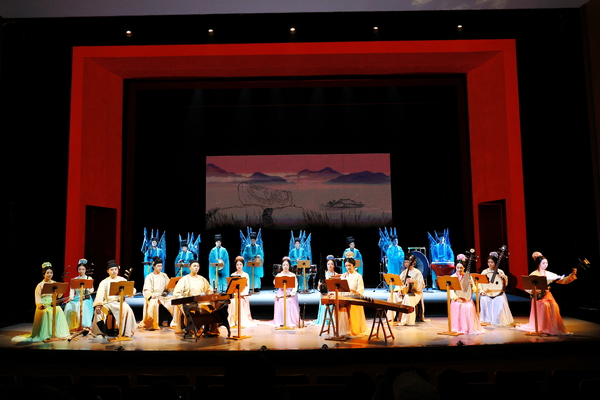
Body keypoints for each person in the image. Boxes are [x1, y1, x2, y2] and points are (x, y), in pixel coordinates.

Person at [516, 251, 577, 335]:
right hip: (538, 297)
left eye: (547, 263)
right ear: (539, 264)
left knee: (554, 306)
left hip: (547, 295)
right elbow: (527, 286)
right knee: (545, 306)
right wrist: (534, 290)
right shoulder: (534, 274)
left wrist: (572, 275)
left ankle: (552, 327)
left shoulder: (549, 274)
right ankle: (542, 327)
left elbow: (562, 279)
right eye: (543, 263)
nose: (545, 265)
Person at [172, 260, 219, 336]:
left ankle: (209, 330)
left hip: (200, 302)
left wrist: (209, 296)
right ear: (189, 267)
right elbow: (177, 293)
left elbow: (209, 290)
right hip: (188, 302)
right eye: (194, 266)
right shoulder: (184, 279)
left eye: (197, 266)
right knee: (190, 310)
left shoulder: (202, 279)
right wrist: (184, 300)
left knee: (211, 309)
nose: (196, 268)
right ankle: (191, 329)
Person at [92, 260, 137, 338]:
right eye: (112, 270)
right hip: (108, 303)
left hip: (120, 302)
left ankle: (125, 332)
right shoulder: (104, 282)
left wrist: (132, 291)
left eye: (115, 269)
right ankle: (100, 333)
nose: (114, 271)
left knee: (127, 309)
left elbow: (130, 290)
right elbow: (99, 294)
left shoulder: (122, 280)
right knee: (99, 311)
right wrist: (98, 305)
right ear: (108, 271)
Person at [30, 262, 70, 341]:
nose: (49, 274)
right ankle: (47, 334)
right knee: (46, 312)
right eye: (47, 273)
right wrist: (40, 304)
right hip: (43, 304)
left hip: (52, 304)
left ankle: (58, 333)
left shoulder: (54, 283)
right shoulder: (40, 285)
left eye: (51, 273)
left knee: (59, 310)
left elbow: (58, 296)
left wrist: (61, 289)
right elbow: (37, 297)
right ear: (44, 274)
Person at [449, 254, 485, 334]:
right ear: (455, 268)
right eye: (458, 268)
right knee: (459, 305)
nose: (459, 269)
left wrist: (472, 284)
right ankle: (459, 328)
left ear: (464, 268)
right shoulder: (453, 277)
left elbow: (474, 290)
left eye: (461, 268)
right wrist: (456, 298)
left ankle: (469, 328)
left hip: (466, 299)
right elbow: (451, 290)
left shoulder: (468, 276)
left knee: (469, 307)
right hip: (457, 299)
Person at [479, 252, 514, 326]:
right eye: (489, 262)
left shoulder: (500, 271)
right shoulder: (485, 272)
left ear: (495, 263)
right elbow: (480, 283)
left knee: (500, 299)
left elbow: (505, 284)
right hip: (487, 293)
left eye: (492, 262)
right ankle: (486, 319)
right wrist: (481, 291)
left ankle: (497, 319)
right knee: (483, 299)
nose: (490, 264)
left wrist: (503, 278)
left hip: (498, 293)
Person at [141, 257, 176, 330]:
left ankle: (173, 322)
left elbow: (168, 287)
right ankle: (153, 324)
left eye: (161, 266)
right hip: (154, 296)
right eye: (158, 266)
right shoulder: (149, 277)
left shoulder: (164, 275)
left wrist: (172, 285)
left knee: (173, 300)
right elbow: (146, 290)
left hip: (162, 296)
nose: (160, 268)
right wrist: (151, 295)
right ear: (154, 266)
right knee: (153, 303)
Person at [337, 258, 367, 337]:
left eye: (349, 265)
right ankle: (345, 329)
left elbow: (360, 290)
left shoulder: (358, 276)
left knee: (352, 310)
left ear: (353, 265)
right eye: (346, 266)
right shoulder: (343, 275)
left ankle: (354, 329)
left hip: (354, 298)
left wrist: (353, 291)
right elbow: (340, 288)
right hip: (345, 297)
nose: (348, 267)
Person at [64, 258, 94, 330]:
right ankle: (73, 325)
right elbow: (72, 291)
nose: (81, 271)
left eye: (83, 269)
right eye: (79, 269)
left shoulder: (89, 278)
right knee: (69, 305)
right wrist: (71, 298)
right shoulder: (74, 279)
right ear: (77, 270)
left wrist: (86, 291)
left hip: (86, 298)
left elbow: (92, 290)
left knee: (82, 305)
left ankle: (84, 325)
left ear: (85, 270)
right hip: (76, 297)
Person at [396, 254, 425, 326]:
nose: (406, 264)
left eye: (407, 262)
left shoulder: (417, 272)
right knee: (393, 296)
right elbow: (399, 283)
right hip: (405, 292)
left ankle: (407, 320)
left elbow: (421, 286)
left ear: (412, 263)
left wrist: (414, 282)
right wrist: (399, 290)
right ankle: (391, 318)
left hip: (415, 293)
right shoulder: (404, 272)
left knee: (407, 297)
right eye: (405, 262)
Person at [227, 256, 255, 328]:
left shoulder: (246, 275)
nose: (239, 266)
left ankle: (239, 321)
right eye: (237, 264)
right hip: (235, 295)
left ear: (243, 265)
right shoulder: (233, 275)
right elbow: (231, 287)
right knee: (232, 301)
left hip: (242, 295)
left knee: (239, 301)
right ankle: (233, 321)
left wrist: (241, 294)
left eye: (240, 264)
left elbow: (246, 287)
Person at [273, 257, 300, 327]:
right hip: (281, 293)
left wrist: (291, 294)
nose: (285, 267)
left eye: (287, 265)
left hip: (290, 293)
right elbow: (275, 283)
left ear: (289, 266)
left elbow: (295, 286)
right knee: (281, 301)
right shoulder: (279, 275)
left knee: (289, 301)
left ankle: (289, 321)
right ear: (282, 266)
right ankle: (281, 321)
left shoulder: (292, 275)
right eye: (284, 265)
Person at [316, 255, 340, 326]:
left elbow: (338, 287)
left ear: (334, 265)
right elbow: (318, 287)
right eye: (328, 264)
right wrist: (320, 287)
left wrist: (332, 293)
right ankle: (324, 321)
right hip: (325, 294)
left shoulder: (336, 275)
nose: (330, 265)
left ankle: (333, 321)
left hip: (333, 294)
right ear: (326, 265)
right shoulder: (324, 274)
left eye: (332, 264)